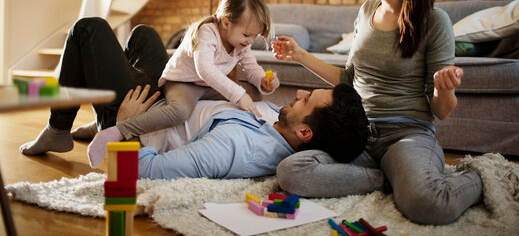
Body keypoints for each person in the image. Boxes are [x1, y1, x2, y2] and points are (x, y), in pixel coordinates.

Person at [271, 0, 483, 225]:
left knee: (429, 204)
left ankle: (478, 179)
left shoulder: (434, 21)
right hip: (359, 134)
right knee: (291, 172)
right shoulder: (365, 12)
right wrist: (299, 55)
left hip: (408, 135)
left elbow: (442, 111)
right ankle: (388, 179)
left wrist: (443, 89)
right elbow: (350, 80)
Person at [85, 0, 280, 167]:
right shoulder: (208, 33)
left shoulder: (242, 45)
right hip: (184, 82)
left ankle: (100, 128)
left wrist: (263, 80)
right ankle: (117, 131)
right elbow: (205, 70)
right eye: (247, 35)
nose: (250, 42)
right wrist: (237, 95)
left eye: (255, 36)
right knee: (179, 112)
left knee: (254, 94)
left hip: (206, 86)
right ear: (226, 23)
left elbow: (251, 67)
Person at [133, 83, 369, 179]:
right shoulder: (281, 123)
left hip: (140, 113)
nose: (298, 93)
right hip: (173, 95)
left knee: (96, 29)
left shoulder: (235, 147)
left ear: (304, 133)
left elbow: (143, 171)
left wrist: (127, 126)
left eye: (305, 100)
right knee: (144, 35)